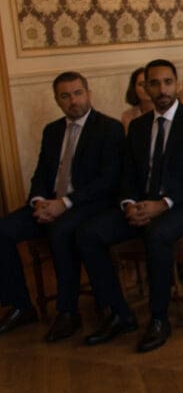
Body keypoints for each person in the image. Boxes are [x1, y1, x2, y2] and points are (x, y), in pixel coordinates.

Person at [76, 59, 183, 353]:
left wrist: (162, 204)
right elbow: (127, 176)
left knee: (157, 233)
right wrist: (129, 203)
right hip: (145, 205)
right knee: (88, 234)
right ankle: (119, 313)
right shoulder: (139, 127)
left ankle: (158, 318)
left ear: (177, 85)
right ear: (145, 88)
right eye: (154, 83)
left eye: (167, 82)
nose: (161, 89)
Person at [0, 72, 124, 340]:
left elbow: (108, 181)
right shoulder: (53, 130)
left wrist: (65, 203)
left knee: (61, 230)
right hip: (51, 202)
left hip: (89, 203)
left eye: (78, 93)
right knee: (3, 229)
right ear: (57, 100)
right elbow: (42, 174)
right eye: (65, 96)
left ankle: (68, 312)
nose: (73, 101)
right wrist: (38, 201)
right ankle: (21, 306)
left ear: (89, 94)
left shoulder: (109, 128)